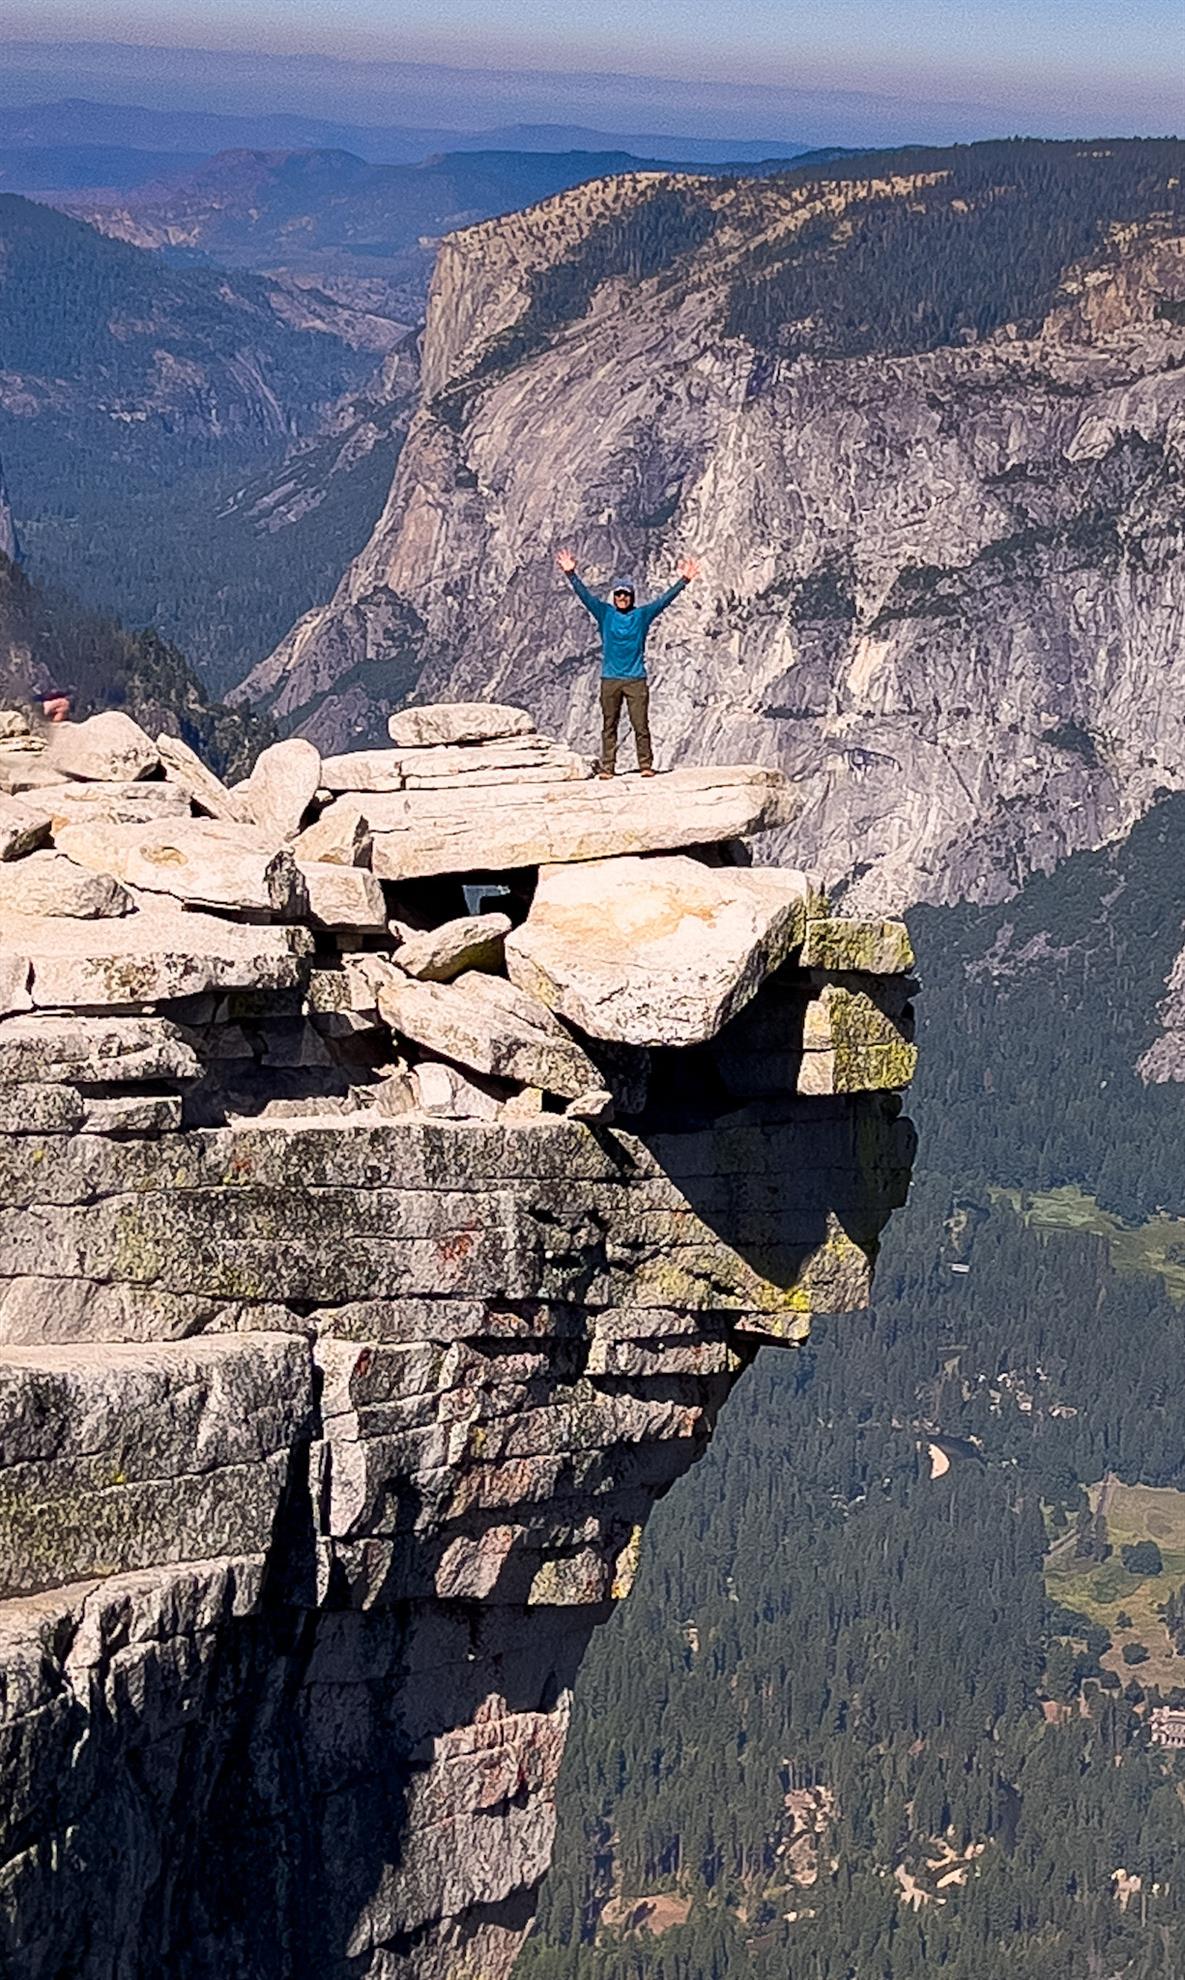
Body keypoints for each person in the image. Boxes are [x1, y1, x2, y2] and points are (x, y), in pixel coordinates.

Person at [556, 549, 699, 777]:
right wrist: (571, 574)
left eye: (626, 594)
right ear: (614, 597)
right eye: (619, 594)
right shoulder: (605, 613)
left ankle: (645, 765)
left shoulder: (642, 615)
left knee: (640, 725)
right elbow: (585, 597)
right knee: (609, 725)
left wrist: (684, 581)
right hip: (610, 679)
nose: (622, 598)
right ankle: (608, 767)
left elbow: (663, 601)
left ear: (632, 597)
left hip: (635, 679)